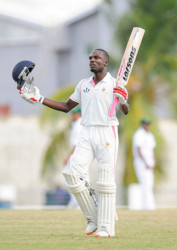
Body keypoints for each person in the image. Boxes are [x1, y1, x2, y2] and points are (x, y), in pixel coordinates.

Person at [15, 49, 129, 237]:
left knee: (105, 181)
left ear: (105, 62)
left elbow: (125, 110)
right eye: (90, 58)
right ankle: (93, 217)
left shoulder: (116, 84)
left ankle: (106, 228)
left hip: (107, 132)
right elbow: (67, 107)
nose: (92, 60)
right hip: (87, 131)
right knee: (72, 173)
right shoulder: (83, 84)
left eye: (97, 58)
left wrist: (123, 100)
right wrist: (40, 98)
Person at [132, 118, 156, 210]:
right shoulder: (139, 134)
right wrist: (146, 162)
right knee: (145, 183)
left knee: (149, 183)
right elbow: (139, 149)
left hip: (149, 163)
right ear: (142, 125)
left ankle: (148, 205)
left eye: (148, 124)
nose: (147, 126)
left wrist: (153, 162)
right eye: (145, 124)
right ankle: (148, 206)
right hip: (141, 162)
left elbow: (152, 150)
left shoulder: (150, 135)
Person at [64, 106, 82, 208]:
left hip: (76, 155)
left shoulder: (79, 125)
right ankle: (75, 201)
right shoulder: (76, 125)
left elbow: (76, 144)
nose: (72, 116)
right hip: (76, 155)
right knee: (74, 177)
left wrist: (68, 157)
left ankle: (76, 202)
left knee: (71, 176)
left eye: (74, 114)